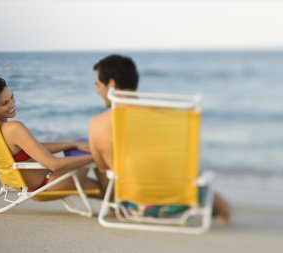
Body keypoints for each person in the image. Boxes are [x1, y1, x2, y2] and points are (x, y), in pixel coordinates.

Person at [88, 54, 231, 224]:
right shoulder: (169, 117)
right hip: (180, 199)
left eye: (98, 85)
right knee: (223, 207)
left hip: (133, 204)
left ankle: (113, 209)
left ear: (111, 85)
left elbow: (102, 168)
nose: (98, 91)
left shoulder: (97, 125)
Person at [0, 77, 100, 193]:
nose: (12, 104)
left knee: (102, 189)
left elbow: (34, 148)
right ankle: (112, 207)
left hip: (34, 184)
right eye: (5, 103)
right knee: (98, 147)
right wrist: (96, 157)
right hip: (49, 184)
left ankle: (113, 208)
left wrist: (71, 144)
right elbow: (54, 164)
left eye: (12, 97)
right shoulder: (13, 128)